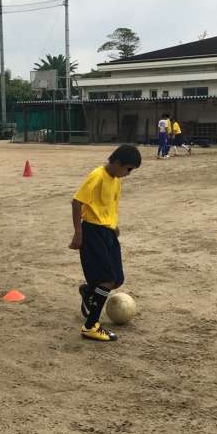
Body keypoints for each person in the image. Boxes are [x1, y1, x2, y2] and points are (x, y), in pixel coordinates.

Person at [69, 144, 142, 342]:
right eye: (128, 169)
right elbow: (77, 202)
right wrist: (78, 232)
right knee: (107, 279)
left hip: (108, 232)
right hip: (93, 231)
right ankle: (91, 326)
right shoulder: (97, 175)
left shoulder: (116, 181)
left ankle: (88, 292)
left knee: (117, 279)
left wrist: (114, 226)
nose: (128, 174)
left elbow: (109, 206)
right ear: (117, 163)